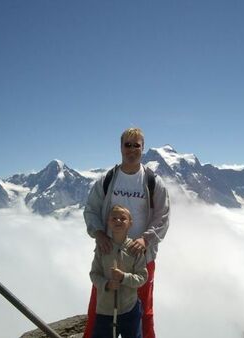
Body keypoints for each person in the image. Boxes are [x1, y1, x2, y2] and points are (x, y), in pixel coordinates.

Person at [83, 127, 170, 338]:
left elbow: (163, 216)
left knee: (144, 312)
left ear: (143, 148)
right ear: (121, 147)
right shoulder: (108, 179)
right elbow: (91, 210)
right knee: (98, 307)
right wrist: (99, 234)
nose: (131, 149)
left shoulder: (152, 181)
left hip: (141, 256)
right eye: (127, 145)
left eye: (136, 145)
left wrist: (145, 239)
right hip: (108, 254)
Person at [90, 205, 148, 338]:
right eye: (114, 218)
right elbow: (94, 274)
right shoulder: (102, 248)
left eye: (123, 218)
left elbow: (142, 277)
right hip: (105, 310)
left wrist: (124, 277)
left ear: (130, 223)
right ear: (108, 222)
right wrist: (107, 284)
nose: (118, 221)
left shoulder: (135, 249)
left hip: (130, 308)